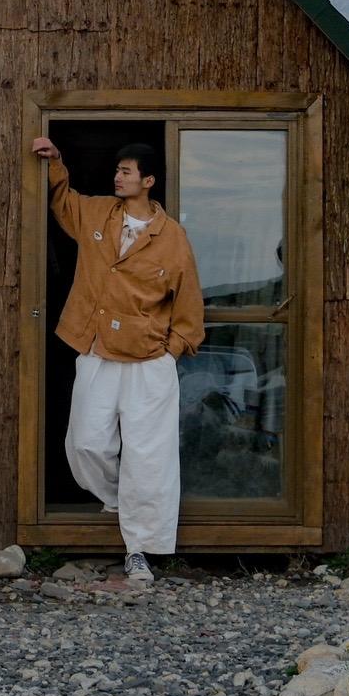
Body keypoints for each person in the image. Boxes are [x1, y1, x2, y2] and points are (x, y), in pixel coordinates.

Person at [32, 136, 204, 583]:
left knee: (149, 457)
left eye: (127, 171)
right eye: (117, 170)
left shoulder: (172, 238)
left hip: (149, 359)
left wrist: (175, 347)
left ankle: (140, 550)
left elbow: (188, 301)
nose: (118, 176)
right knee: (87, 442)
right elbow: (62, 200)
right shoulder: (98, 213)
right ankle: (121, 499)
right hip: (96, 349)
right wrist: (56, 161)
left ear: (148, 181)